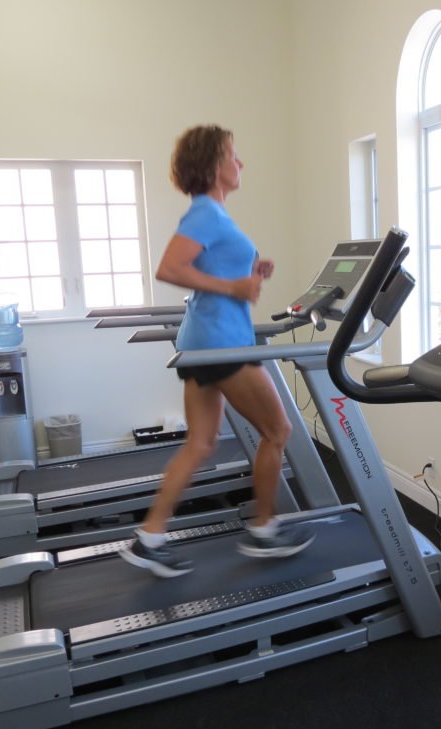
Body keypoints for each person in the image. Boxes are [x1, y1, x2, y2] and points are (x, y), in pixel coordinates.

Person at [120, 124, 315, 578]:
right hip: (222, 342)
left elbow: (212, 270)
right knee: (278, 429)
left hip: (203, 339)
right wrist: (233, 286)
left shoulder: (214, 215)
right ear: (212, 166)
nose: (240, 162)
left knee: (201, 443)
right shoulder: (205, 213)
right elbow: (170, 268)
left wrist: (252, 269)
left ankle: (150, 537)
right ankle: (264, 529)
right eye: (232, 155)